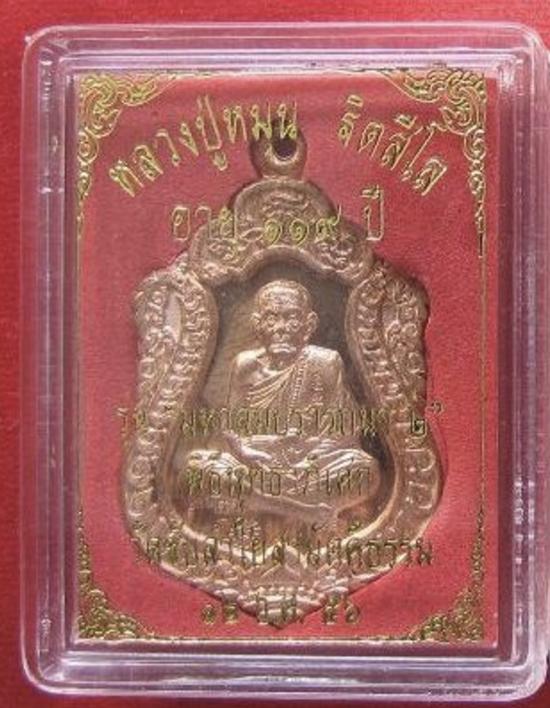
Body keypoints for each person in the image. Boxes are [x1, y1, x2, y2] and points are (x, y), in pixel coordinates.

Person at [179, 279, 380, 531]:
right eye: (272, 319)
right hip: (255, 467)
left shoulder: (325, 362)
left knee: (364, 470)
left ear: (309, 325)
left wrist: (308, 460)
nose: (282, 328)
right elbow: (231, 429)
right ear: (258, 324)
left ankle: (262, 503)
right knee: (197, 468)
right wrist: (245, 451)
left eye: (292, 318)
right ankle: (306, 511)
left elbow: (344, 431)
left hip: (309, 468)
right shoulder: (245, 365)